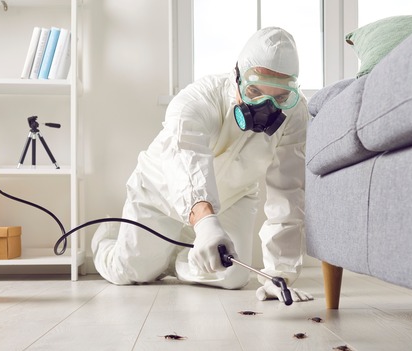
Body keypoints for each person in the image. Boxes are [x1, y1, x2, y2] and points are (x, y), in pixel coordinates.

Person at [92, 27, 313, 302]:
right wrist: (206, 222)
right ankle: (109, 236)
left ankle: (174, 258)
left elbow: (289, 192)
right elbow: (188, 156)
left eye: (280, 97)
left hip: (235, 197)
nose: (265, 108)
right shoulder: (197, 99)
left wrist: (279, 273)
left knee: (233, 275)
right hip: (159, 194)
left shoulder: (295, 114)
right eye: (254, 92)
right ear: (237, 76)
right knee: (128, 271)